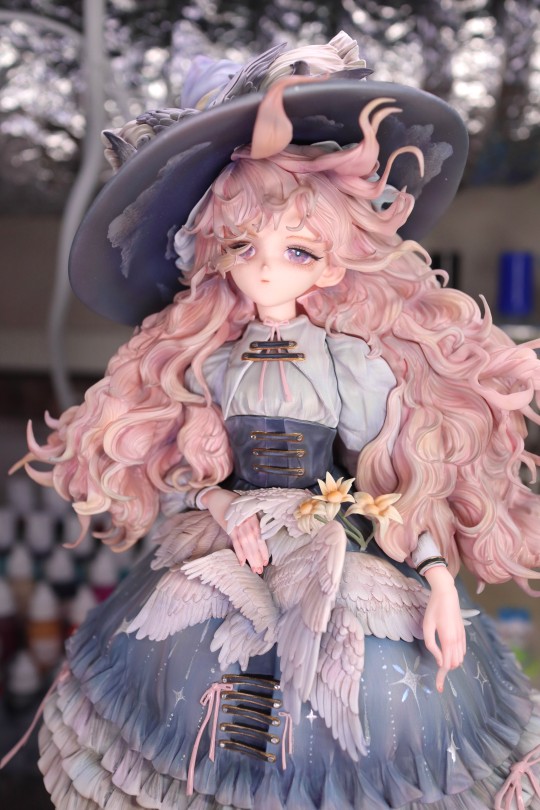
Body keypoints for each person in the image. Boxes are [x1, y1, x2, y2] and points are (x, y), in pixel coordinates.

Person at [15, 33, 540, 809]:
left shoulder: (348, 363)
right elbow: (191, 479)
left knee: (371, 700)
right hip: (228, 541)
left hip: (338, 530)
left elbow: (392, 483)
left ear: (334, 262)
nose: (265, 266)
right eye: (242, 244)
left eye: (297, 250)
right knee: (188, 685)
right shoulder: (212, 365)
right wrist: (222, 504)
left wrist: (434, 578)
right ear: (213, 254)